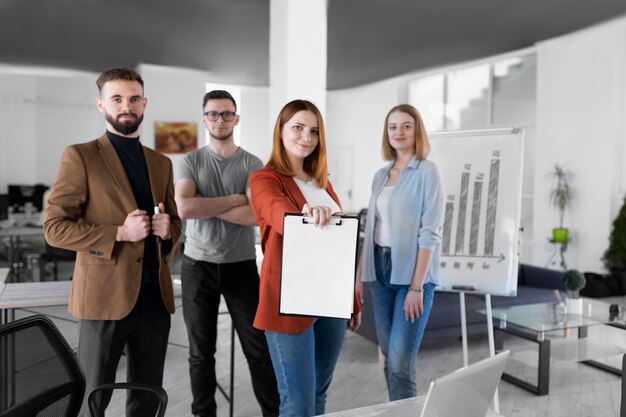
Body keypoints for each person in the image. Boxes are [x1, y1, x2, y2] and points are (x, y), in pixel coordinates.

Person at [44, 67, 181, 416]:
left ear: (145, 103)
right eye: (116, 98)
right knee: (93, 397)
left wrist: (169, 230)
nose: (126, 106)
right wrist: (118, 233)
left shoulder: (162, 163)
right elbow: (55, 228)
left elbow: (175, 224)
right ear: (101, 105)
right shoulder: (80, 156)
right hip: (102, 299)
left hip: (154, 300)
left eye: (134, 98)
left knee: (148, 399)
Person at [250, 99, 361, 417]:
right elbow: (276, 210)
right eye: (297, 127)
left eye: (314, 131)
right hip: (289, 301)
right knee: (297, 404)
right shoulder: (265, 179)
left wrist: (350, 300)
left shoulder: (324, 184)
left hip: (330, 304)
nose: (306, 137)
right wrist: (304, 213)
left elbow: (338, 249)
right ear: (281, 132)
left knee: (318, 397)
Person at [175, 90, 279, 417]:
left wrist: (207, 206)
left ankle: (273, 413)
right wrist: (235, 199)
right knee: (200, 354)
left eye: (226, 114)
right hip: (197, 266)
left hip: (241, 266)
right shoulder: (190, 160)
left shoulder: (252, 163)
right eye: (213, 114)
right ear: (204, 118)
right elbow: (185, 208)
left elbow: (256, 216)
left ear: (236, 118)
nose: (220, 120)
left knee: (258, 351)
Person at [355, 103, 444, 401]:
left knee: (400, 363)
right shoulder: (380, 175)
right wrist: (359, 277)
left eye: (406, 125)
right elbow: (370, 231)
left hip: (412, 275)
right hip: (378, 271)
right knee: (387, 356)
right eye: (393, 126)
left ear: (416, 129)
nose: (399, 132)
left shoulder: (427, 172)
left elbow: (430, 233)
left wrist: (416, 287)